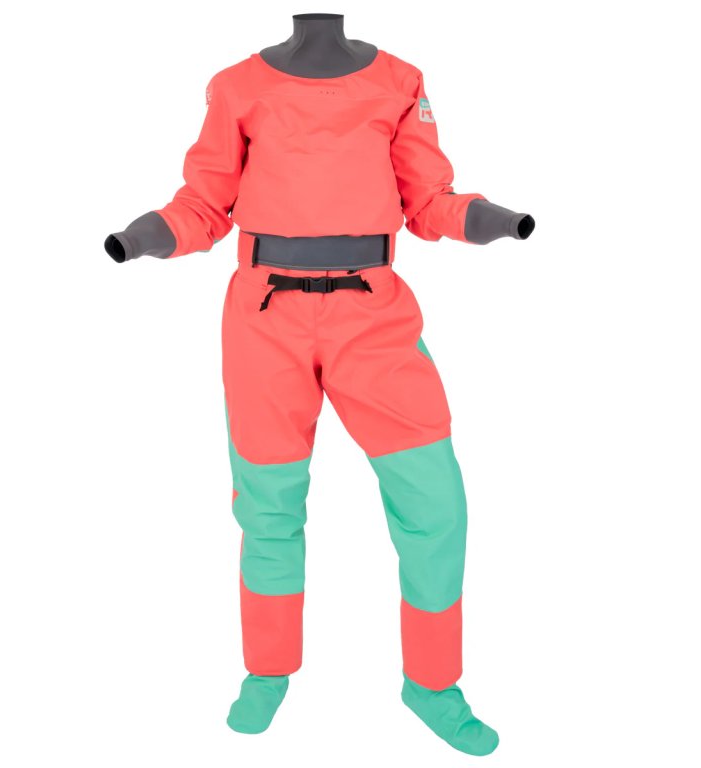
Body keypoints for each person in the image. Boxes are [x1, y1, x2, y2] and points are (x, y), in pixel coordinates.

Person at [104, 13, 534, 757]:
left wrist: (491, 220)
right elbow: (203, 205)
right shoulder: (237, 87)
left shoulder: (399, 81)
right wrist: (144, 237)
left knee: (436, 503)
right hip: (264, 318)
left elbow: (429, 200)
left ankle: (433, 685)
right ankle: (268, 671)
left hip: (373, 313)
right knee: (268, 503)